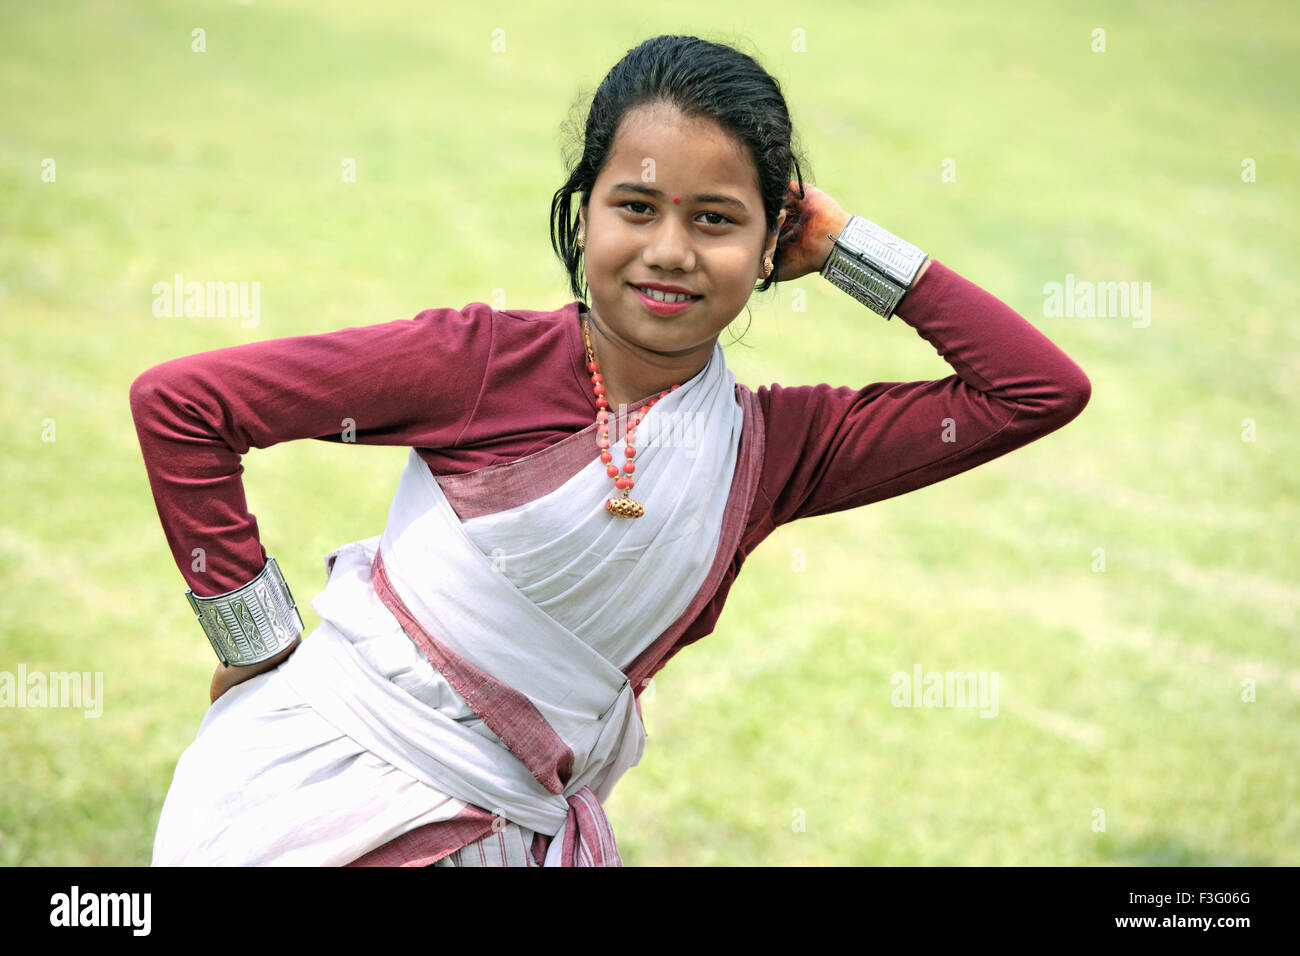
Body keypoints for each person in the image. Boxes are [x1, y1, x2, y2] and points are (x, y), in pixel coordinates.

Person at [129, 34, 1091, 867]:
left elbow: (1036, 390)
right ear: (584, 212)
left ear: (771, 244)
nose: (670, 249)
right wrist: (258, 646)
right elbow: (184, 406)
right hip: (307, 793)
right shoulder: (480, 361)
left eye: (716, 217)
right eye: (636, 206)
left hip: (511, 830)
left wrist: (845, 242)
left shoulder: (774, 451)